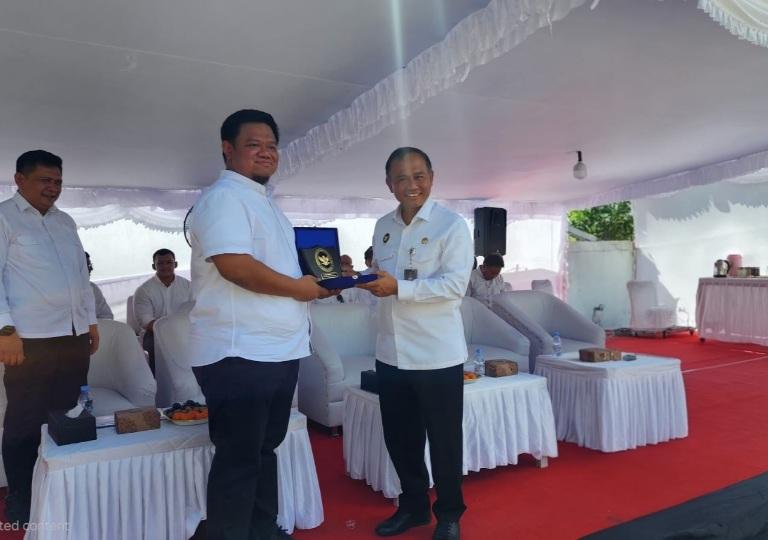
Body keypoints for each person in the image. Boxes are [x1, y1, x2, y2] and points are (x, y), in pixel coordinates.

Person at [188, 109, 334, 540]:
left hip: (277, 350)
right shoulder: (223, 198)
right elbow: (235, 266)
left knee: (264, 449)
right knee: (239, 458)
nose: (266, 153)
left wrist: (322, 282)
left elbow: (285, 272)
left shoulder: (265, 203)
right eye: (254, 145)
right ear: (227, 149)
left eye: (272, 146)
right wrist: (299, 289)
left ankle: (263, 528)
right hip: (240, 352)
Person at [358, 147, 472, 540]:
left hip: (436, 354)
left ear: (432, 178)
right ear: (389, 184)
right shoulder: (382, 226)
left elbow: (455, 285)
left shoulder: (451, 226)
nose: (411, 185)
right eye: (402, 178)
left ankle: (450, 515)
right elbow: (382, 275)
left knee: (444, 441)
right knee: (401, 439)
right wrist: (364, 281)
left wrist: (399, 288)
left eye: (419, 176)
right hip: (391, 352)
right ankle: (413, 507)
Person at [0, 150, 99, 525]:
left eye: (58, 181)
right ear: (19, 179)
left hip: (72, 336)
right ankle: (21, 498)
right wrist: (5, 330)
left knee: (70, 415)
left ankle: (62, 491)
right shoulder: (4, 218)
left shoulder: (65, 221)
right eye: (45, 180)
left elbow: (80, 276)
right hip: (30, 340)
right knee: (24, 421)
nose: (53, 188)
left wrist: (90, 322)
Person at [133, 248, 192, 373]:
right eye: (160, 263)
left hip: (185, 331)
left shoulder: (188, 286)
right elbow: (146, 322)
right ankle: (157, 381)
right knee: (152, 345)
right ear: (154, 266)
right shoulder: (143, 290)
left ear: (176, 264)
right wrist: (171, 332)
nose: (165, 266)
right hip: (155, 333)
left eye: (169, 262)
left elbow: (195, 312)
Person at [85, 251, 114, 319]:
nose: (91, 269)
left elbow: (107, 317)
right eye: (88, 265)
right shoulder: (62, 294)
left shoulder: (93, 288)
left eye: (90, 265)